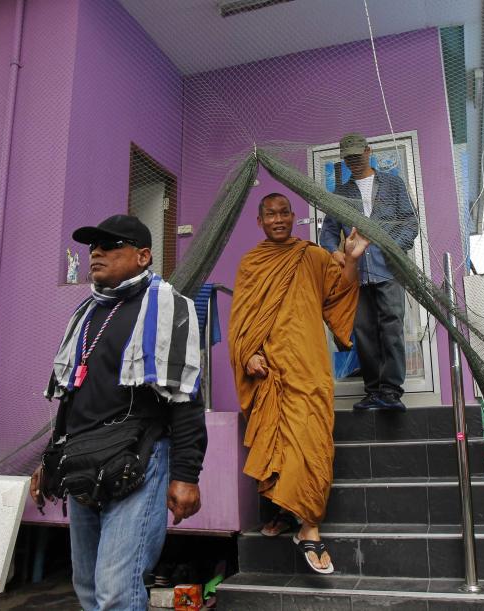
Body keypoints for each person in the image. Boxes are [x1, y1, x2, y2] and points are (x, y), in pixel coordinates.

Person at [30, 215, 207, 611]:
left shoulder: (167, 307)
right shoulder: (86, 315)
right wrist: (50, 460)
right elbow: (70, 395)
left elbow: (185, 397)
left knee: (116, 590)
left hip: (138, 460)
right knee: (88, 587)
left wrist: (185, 475)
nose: (96, 252)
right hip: (81, 460)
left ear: (143, 256)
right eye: (94, 245)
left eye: (111, 245)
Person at [229, 193, 369, 574]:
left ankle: (310, 524)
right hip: (270, 368)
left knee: (312, 440)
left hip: (308, 367)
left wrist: (353, 260)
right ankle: (290, 515)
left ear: (294, 217)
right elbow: (241, 318)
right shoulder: (252, 263)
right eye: (269, 214)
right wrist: (248, 354)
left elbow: (340, 295)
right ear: (259, 221)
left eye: (283, 213)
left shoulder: (312, 255)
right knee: (276, 441)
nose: (277, 219)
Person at [320, 133, 419, 411]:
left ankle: (391, 391)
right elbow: (327, 234)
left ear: (368, 151)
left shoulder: (393, 183)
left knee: (391, 328)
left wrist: (389, 247)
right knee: (363, 331)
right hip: (357, 274)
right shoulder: (339, 193)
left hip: (389, 270)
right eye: (348, 157)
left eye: (357, 154)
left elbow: (411, 222)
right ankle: (373, 390)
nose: (353, 160)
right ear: (344, 158)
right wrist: (338, 255)